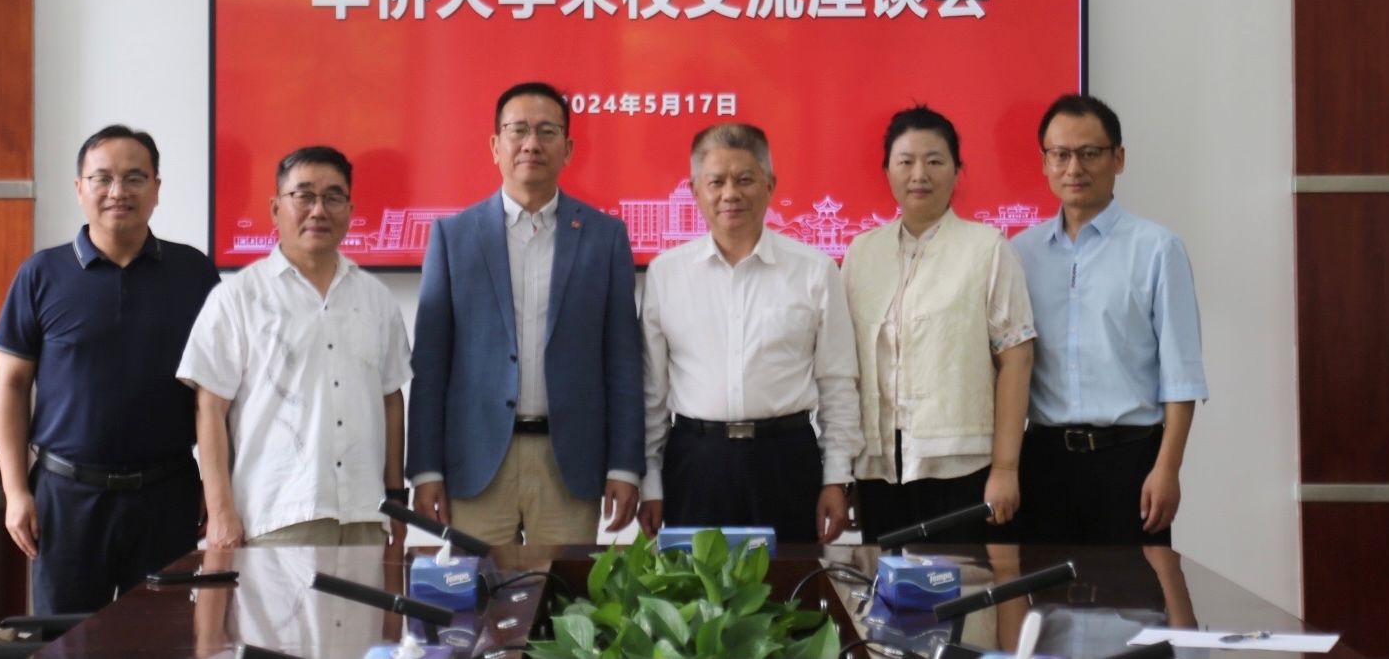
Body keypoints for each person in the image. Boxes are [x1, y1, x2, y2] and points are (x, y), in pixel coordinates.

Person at [0, 125, 219, 613]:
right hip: (65, 498)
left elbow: (215, 393)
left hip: (168, 494)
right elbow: (10, 386)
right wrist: (15, 491)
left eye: (135, 178)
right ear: (80, 188)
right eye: (103, 178)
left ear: (156, 188)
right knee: (68, 641)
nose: (119, 192)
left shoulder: (194, 273)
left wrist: (218, 487)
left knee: (165, 639)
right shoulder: (41, 274)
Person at [407, 81, 643, 545]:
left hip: (569, 463)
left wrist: (624, 465)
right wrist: (426, 469)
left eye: (546, 132)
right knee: (475, 589)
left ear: (568, 148)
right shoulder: (454, 237)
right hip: (475, 463)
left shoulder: (605, 237)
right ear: (495, 146)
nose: (531, 143)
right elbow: (431, 365)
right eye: (518, 130)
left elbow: (622, 361)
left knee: (563, 590)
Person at [637, 123, 862, 544]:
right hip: (696, 463)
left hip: (786, 460)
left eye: (744, 180)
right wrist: (650, 482)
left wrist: (837, 478)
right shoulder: (666, 274)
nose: (730, 194)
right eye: (716, 182)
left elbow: (837, 382)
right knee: (694, 586)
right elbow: (652, 392)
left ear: (769, 185)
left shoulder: (814, 270)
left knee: (790, 584)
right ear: (695, 190)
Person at [177, 146, 411, 548]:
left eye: (333, 197)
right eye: (303, 196)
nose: (318, 211)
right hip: (277, 515)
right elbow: (210, 408)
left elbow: (391, 400)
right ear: (275, 209)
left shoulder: (376, 299)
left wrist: (395, 500)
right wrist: (220, 511)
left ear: (350, 210)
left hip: (364, 513)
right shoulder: (237, 298)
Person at [1012, 93, 1208, 545]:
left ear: (1118, 158)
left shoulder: (1157, 248)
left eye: (1089, 153)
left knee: (1132, 585)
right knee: (1045, 587)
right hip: (1043, 461)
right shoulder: (1021, 253)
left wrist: (1168, 468)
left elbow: (1181, 374)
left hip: (1130, 460)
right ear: (1044, 163)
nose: (1074, 168)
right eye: (1060, 155)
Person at [843, 106, 1036, 545]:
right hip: (879, 468)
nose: (919, 174)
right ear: (887, 170)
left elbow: (1017, 360)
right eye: (905, 161)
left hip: (963, 466)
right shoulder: (861, 253)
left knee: (965, 585)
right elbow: (845, 367)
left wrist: (1005, 468)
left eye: (934, 161)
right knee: (887, 585)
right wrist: (845, 470)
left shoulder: (987, 248)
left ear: (956, 170)